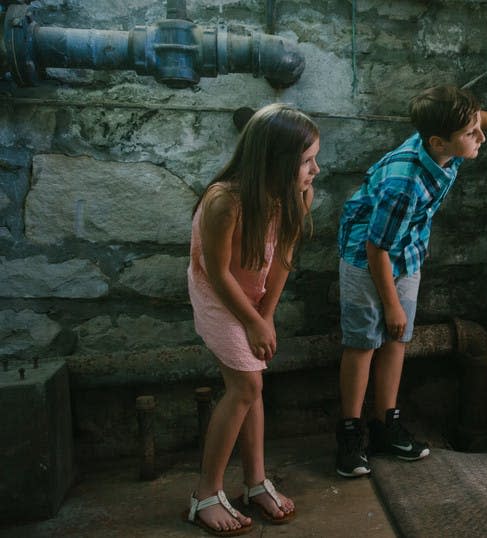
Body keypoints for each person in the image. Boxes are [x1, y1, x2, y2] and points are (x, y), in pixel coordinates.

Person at [335, 85, 487, 478]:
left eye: (476, 129)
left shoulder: (444, 143)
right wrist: (390, 303)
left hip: (406, 253)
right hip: (367, 258)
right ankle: (350, 435)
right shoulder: (405, 182)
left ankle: (385, 424)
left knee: (398, 339)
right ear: (440, 141)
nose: (482, 137)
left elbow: (482, 118)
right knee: (363, 344)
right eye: (472, 134)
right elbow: (375, 247)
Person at [185, 103, 320, 535]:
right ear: (276, 161)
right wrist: (249, 321)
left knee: (252, 379)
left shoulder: (295, 193)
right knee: (246, 384)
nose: (316, 169)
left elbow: (281, 258)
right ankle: (205, 494)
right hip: (217, 292)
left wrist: (266, 316)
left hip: (253, 292)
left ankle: (256, 481)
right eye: (307, 161)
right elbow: (217, 272)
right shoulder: (226, 200)